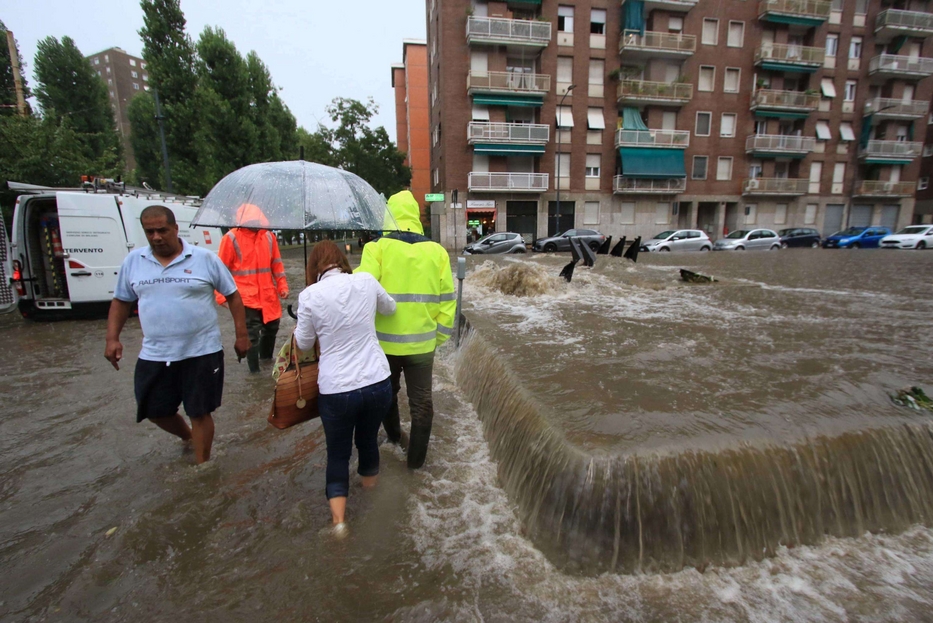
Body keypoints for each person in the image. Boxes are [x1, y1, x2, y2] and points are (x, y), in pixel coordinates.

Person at [104, 205, 250, 464]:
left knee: (200, 411)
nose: (156, 237)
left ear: (175, 228)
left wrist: (241, 335)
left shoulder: (204, 259)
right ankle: (189, 437)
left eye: (162, 230)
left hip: (202, 350)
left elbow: (233, 295)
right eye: (150, 232)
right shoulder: (134, 262)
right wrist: (112, 338)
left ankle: (202, 467)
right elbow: (121, 302)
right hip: (155, 352)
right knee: (153, 409)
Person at [294, 241, 396, 534]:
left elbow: (302, 345)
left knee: (338, 455)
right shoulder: (365, 280)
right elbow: (390, 308)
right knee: (367, 443)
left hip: (337, 390)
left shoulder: (309, 295)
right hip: (377, 382)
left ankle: (339, 525)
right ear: (342, 260)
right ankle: (372, 498)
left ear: (314, 267)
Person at [356, 189, 456, 469]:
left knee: (386, 396)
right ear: (415, 216)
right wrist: (437, 337)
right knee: (422, 404)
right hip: (423, 346)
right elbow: (448, 300)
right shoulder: (438, 252)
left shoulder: (376, 248)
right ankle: (415, 466)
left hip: (384, 346)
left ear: (388, 216)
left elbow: (361, 290)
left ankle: (394, 438)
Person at [215, 203, 288, 373]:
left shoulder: (269, 237)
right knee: (252, 335)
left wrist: (282, 285)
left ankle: (266, 362)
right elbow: (221, 269)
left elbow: (276, 264)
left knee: (272, 328)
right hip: (244, 297)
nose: (254, 224)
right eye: (251, 221)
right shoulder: (231, 238)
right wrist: (221, 296)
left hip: (267, 295)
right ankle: (255, 372)